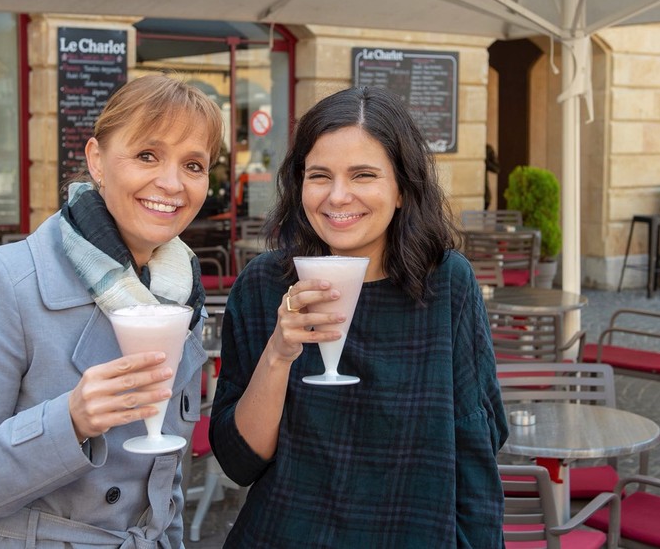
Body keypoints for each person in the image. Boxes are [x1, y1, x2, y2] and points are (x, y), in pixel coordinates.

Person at [0, 74, 223, 548]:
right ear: (97, 160)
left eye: (193, 164)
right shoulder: (0, 283)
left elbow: (161, 486)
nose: (171, 183)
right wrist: (68, 422)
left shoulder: (177, 293)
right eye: (147, 155)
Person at [209, 86, 508, 547]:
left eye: (363, 175)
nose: (338, 196)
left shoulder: (446, 283)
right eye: (319, 175)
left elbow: (476, 447)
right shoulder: (264, 283)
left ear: (403, 188)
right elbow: (239, 462)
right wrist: (278, 353)